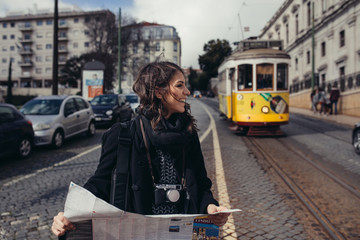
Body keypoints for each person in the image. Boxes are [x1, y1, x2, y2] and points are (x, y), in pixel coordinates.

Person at [51, 61, 230, 237]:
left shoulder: (188, 135)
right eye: (180, 85)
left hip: (180, 232)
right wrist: (68, 215)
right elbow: (100, 183)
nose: (187, 91)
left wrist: (210, 206)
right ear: (159, 92)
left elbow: (201, 183)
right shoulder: (122, 135)